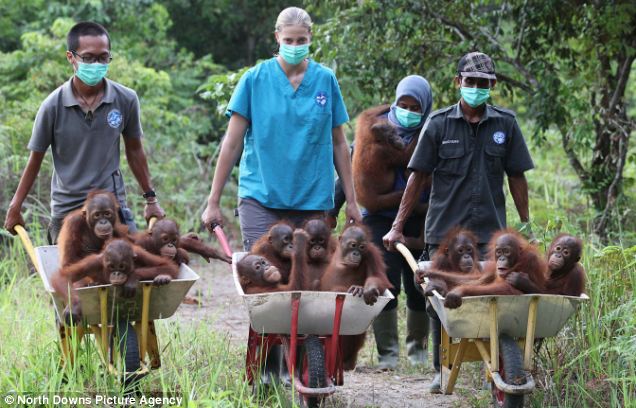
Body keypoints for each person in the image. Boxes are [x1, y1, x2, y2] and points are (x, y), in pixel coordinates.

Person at [383, 52, 534, 391]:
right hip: (444, 233)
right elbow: (417, 178)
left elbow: (517, 178)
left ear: (492, 85)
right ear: (458, 83)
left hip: (490, 233)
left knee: (494, 297)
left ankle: (493, 369)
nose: (476, 88)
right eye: (470, 82)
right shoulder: (438, 124)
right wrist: (397, 226)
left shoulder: (505, 124)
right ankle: (441, 367)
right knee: (440, 299)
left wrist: (525, 227)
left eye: (483, 84)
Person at [201, 7, 360, 249]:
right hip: (261, 197)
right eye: (288, 40)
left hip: (312, 201)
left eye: (301, 40)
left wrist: (351, 200)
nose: (294, 46)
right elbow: (232, 144)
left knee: (307, 279)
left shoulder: (325, 80)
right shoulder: (254, 80)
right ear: (277, 37)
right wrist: (213, 201)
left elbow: (339, 142)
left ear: (310, 37)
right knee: (263, 274)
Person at [3, 22, 164, 243]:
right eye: (88, 58)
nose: (97, 64)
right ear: (71, 57)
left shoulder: (125, 99)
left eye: (103, 57)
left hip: (110, 205)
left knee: (129, 263)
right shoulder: (53, 106)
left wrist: (151, 200)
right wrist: (15, 206)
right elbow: (35, 160)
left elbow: (135, 152)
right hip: (68, 209)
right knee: (75, 274)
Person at [335, 75, 433, 370]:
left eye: (415, 107)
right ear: (394, 101)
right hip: (378, 218)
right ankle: (387, 354)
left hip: (419, 217)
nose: (407, 111)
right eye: (402, 104)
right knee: (383, 282)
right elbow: (348, 172)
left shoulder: (433, 131)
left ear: (426, 108)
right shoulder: (375, 129)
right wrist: (333, 209)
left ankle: (417, 352)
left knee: (419, 284)